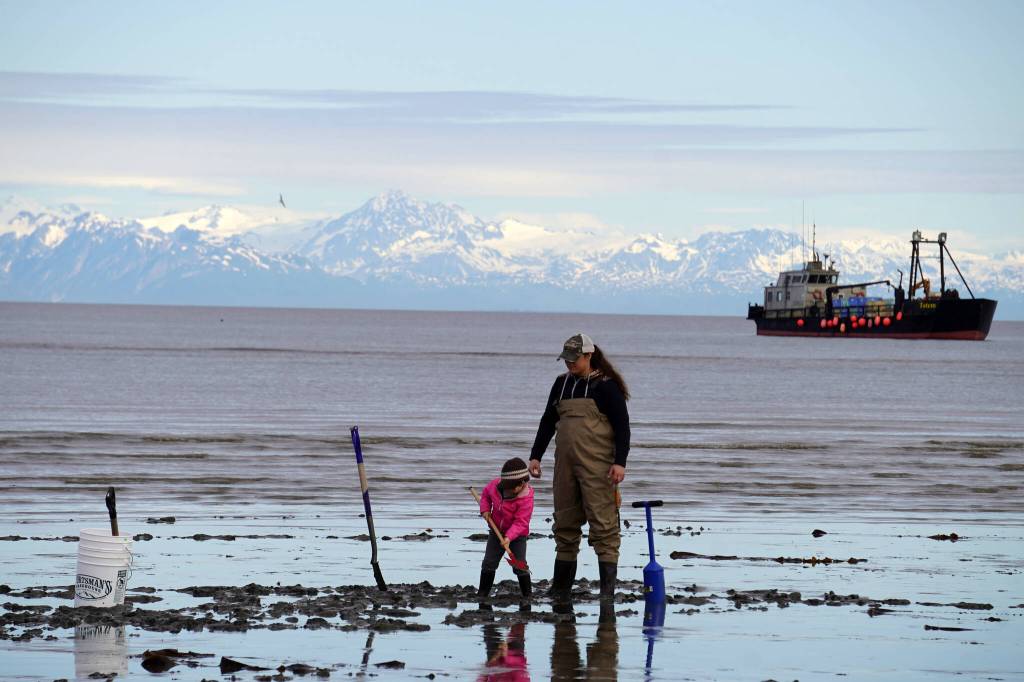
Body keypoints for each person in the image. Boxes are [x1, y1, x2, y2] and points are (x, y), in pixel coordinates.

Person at [528, 332, 630, 601]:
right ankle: (561, 589)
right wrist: (535, 455)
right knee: (565, 523)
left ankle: (607, 593)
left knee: (604, 528)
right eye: (566, 359)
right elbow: (548, 420)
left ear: (589, 355)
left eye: (575, 359)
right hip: (565, 466)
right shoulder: (561, 384)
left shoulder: (606, 386)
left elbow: (622, 427)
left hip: (599, 468)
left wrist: (620, 462)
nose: (569, 364)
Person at [477, 457, 535, 605]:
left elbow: (521, 522)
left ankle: (527, 595)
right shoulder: (496, 486)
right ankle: (482, 594)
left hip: (517, 537)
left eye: (511, 487)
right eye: (506, 486)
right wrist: (485, 510)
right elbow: (485, 495)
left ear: (522, 483)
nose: (508, 490)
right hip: (496, 533)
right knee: (489, 563)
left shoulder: (526, 498)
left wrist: (509, 537)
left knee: (519, 565)